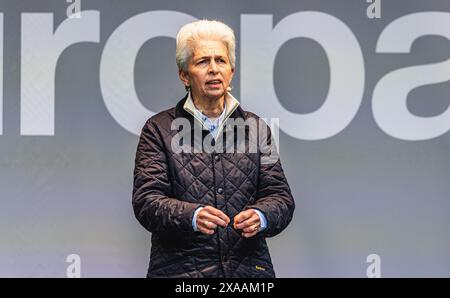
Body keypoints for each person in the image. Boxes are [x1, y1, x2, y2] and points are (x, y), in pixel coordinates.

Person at [132, 19, 295, 278]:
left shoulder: (257, 128)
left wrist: (261, 215)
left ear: (232, 70)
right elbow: (147, 202)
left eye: (220, 60)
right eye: (202, 62)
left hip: (248, 274)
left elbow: (281, 198)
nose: (213, 69)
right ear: (184, 75)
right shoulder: (158, 130)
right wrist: (192, 216)